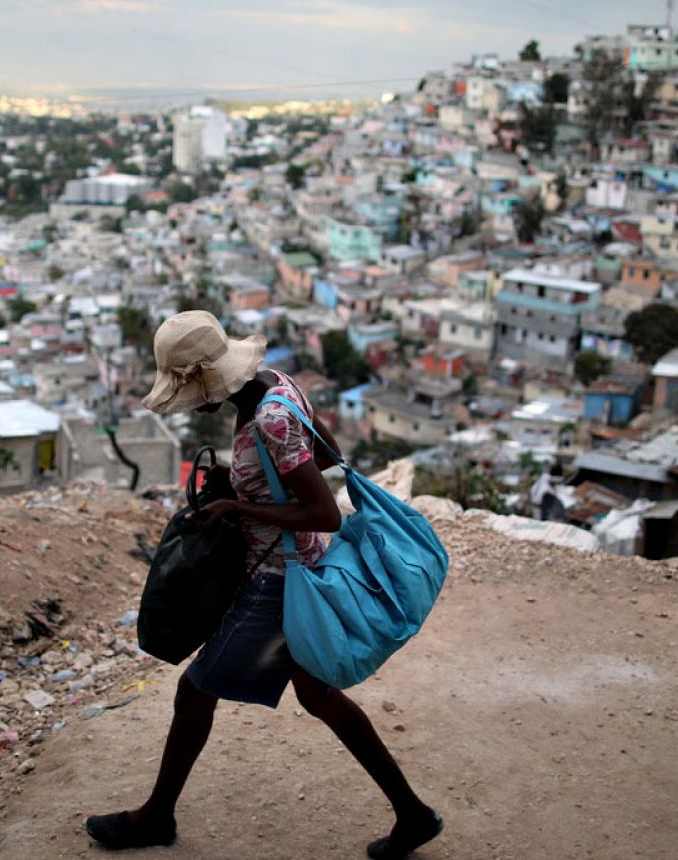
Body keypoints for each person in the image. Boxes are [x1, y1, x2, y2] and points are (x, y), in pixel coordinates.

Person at [86, 311, 444, 858]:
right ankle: (413, 814)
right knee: (319, 695)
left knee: (195, 691)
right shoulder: (275, 386)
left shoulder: (269, 418)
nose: (192, 405)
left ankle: (156, 817)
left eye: (190, 392)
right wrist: (249, 481)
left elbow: (325, 513)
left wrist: (239, 505)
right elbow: (321, 450)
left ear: (208, 378)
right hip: (297, 567)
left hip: (277, 581)